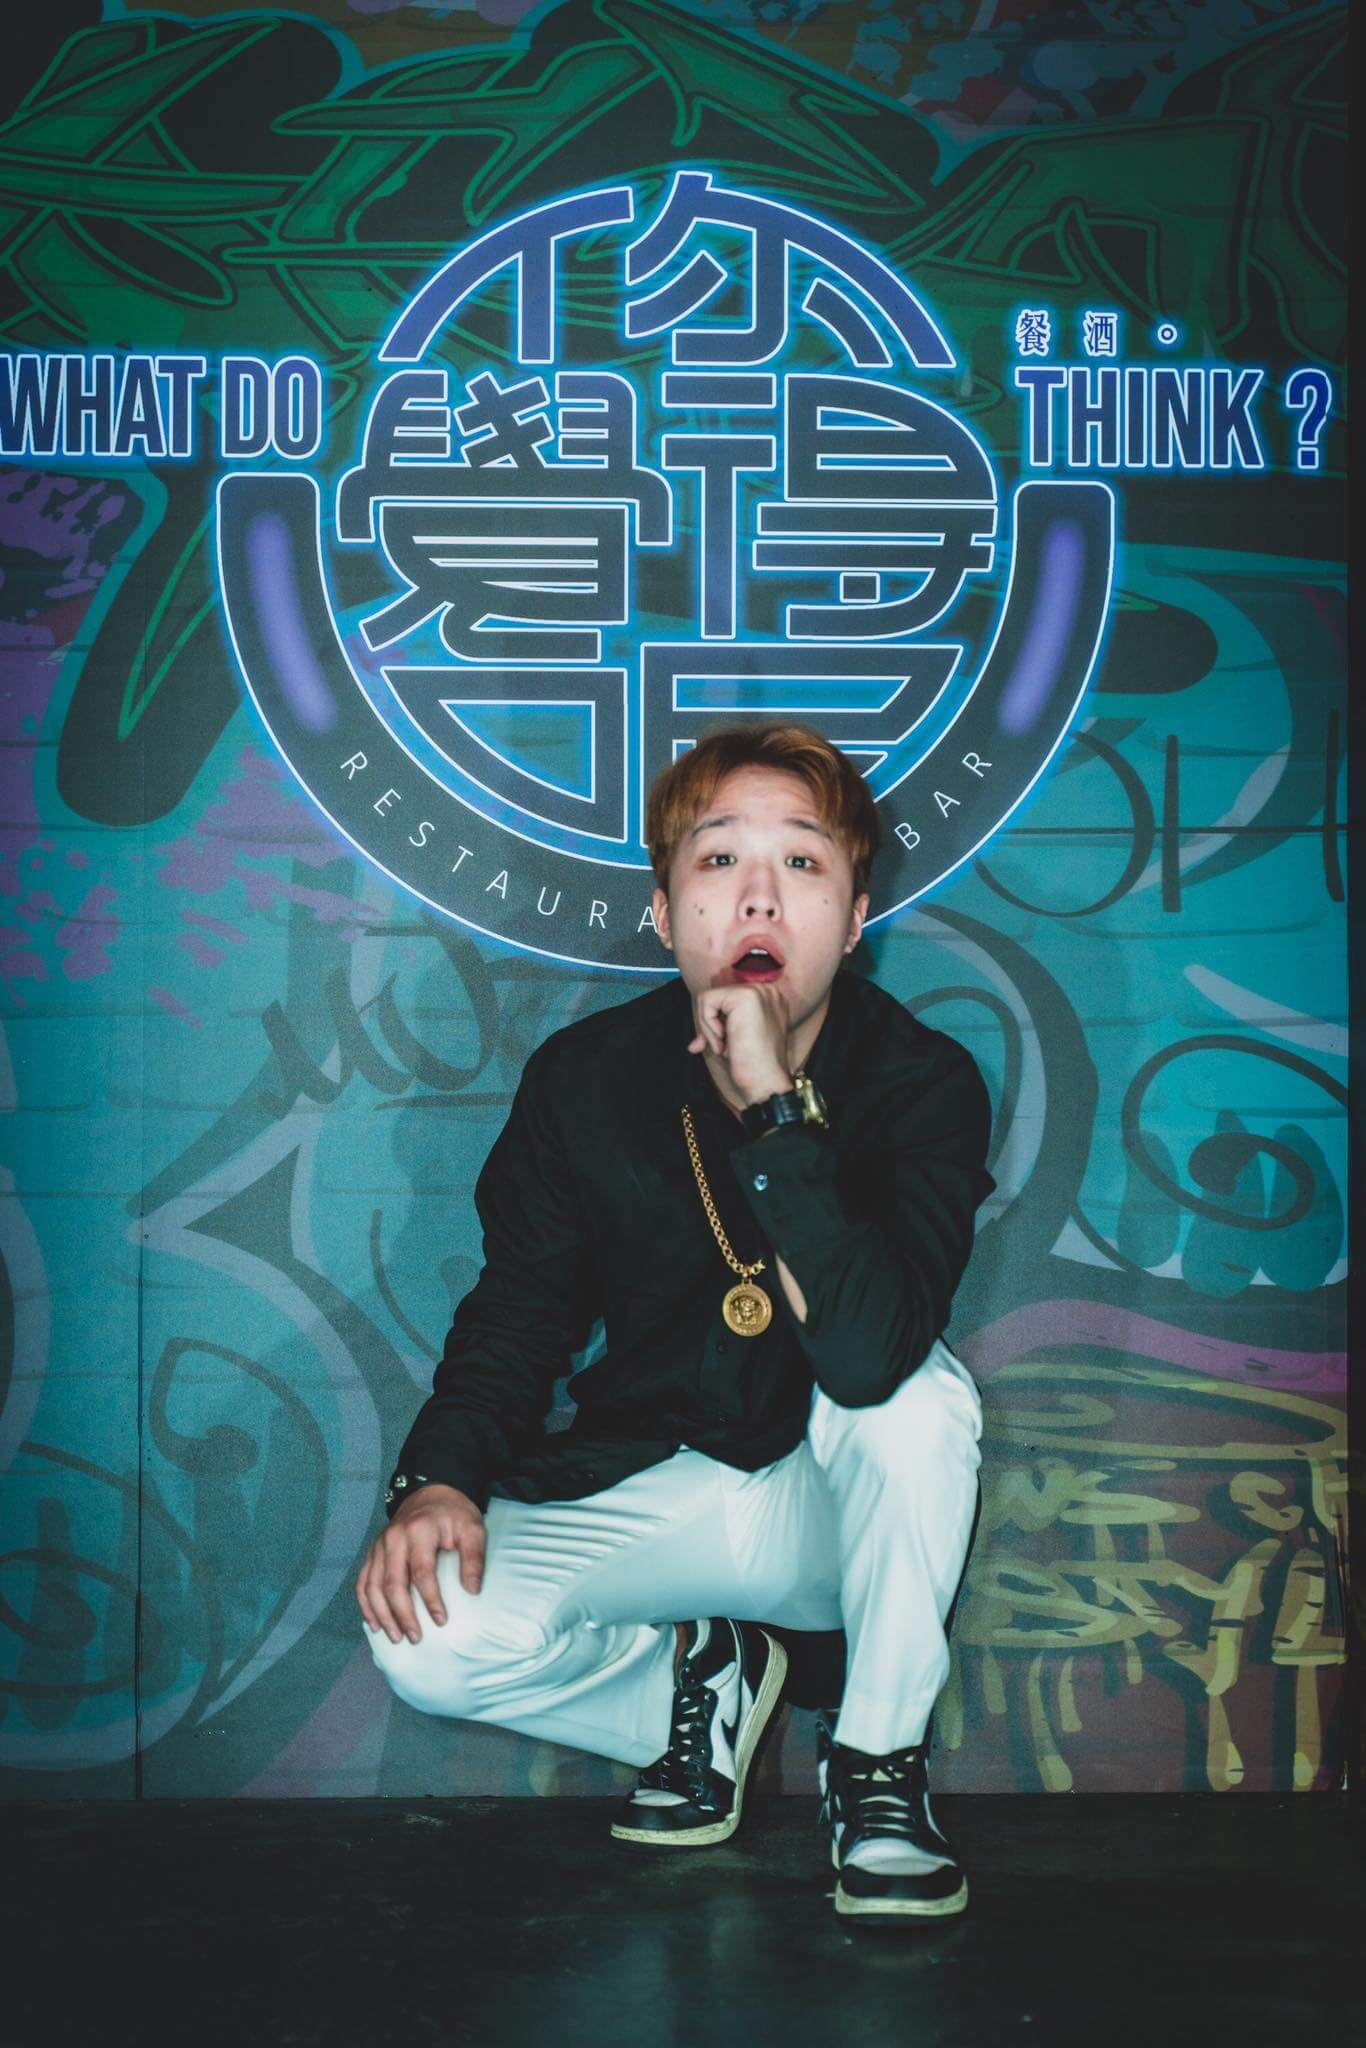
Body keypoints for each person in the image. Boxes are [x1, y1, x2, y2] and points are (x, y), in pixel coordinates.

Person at [358, 719, 996, 1923]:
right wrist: (435, 1478)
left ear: (855, 918)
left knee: (920, 1400)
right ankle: (693, 1686)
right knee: (426, 1636)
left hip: (830, 1506)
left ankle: (875, 1767)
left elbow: (868, 1355)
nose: (758, 894)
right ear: (663, 912)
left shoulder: (923, 1080)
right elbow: (520, 1310)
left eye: (801, 861)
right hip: (655, 1471)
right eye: (717, 860)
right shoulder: (586, 1076)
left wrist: (770, 1107)